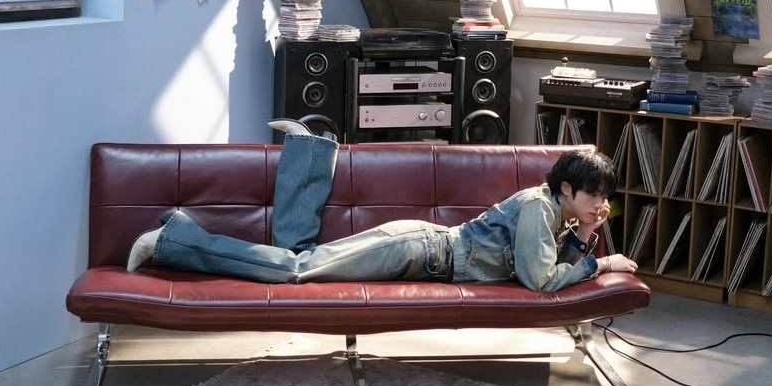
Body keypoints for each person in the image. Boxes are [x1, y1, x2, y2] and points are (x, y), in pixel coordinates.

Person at [125, 122, 638, 290]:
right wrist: (600, 263)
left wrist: (585, 237)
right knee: (297, 270)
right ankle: (174, 240)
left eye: (605, 199)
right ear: (567, 188)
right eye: (595, 195)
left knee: (299, 259)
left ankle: (306, 149)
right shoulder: (538, 207)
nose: (601, 204)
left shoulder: (555, 213)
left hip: (422, 252)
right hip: (415, 249)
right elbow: (541, 280)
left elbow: (546, 264)